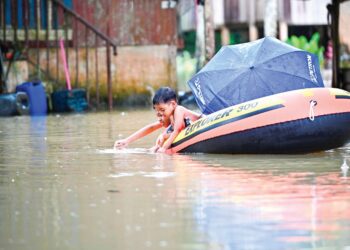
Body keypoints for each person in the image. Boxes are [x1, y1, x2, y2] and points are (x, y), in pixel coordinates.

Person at [114, 87, 202, 152]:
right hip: (186, 134)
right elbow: (151, 127)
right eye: (157, 110)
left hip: (205, 124)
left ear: (173, 104)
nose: (160, 113)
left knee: (163, 139)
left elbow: (177, 130)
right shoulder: (170, 116)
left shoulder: (179, 110)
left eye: (162, 110)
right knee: (156, 145)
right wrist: (127, 140)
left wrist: (164, 148)